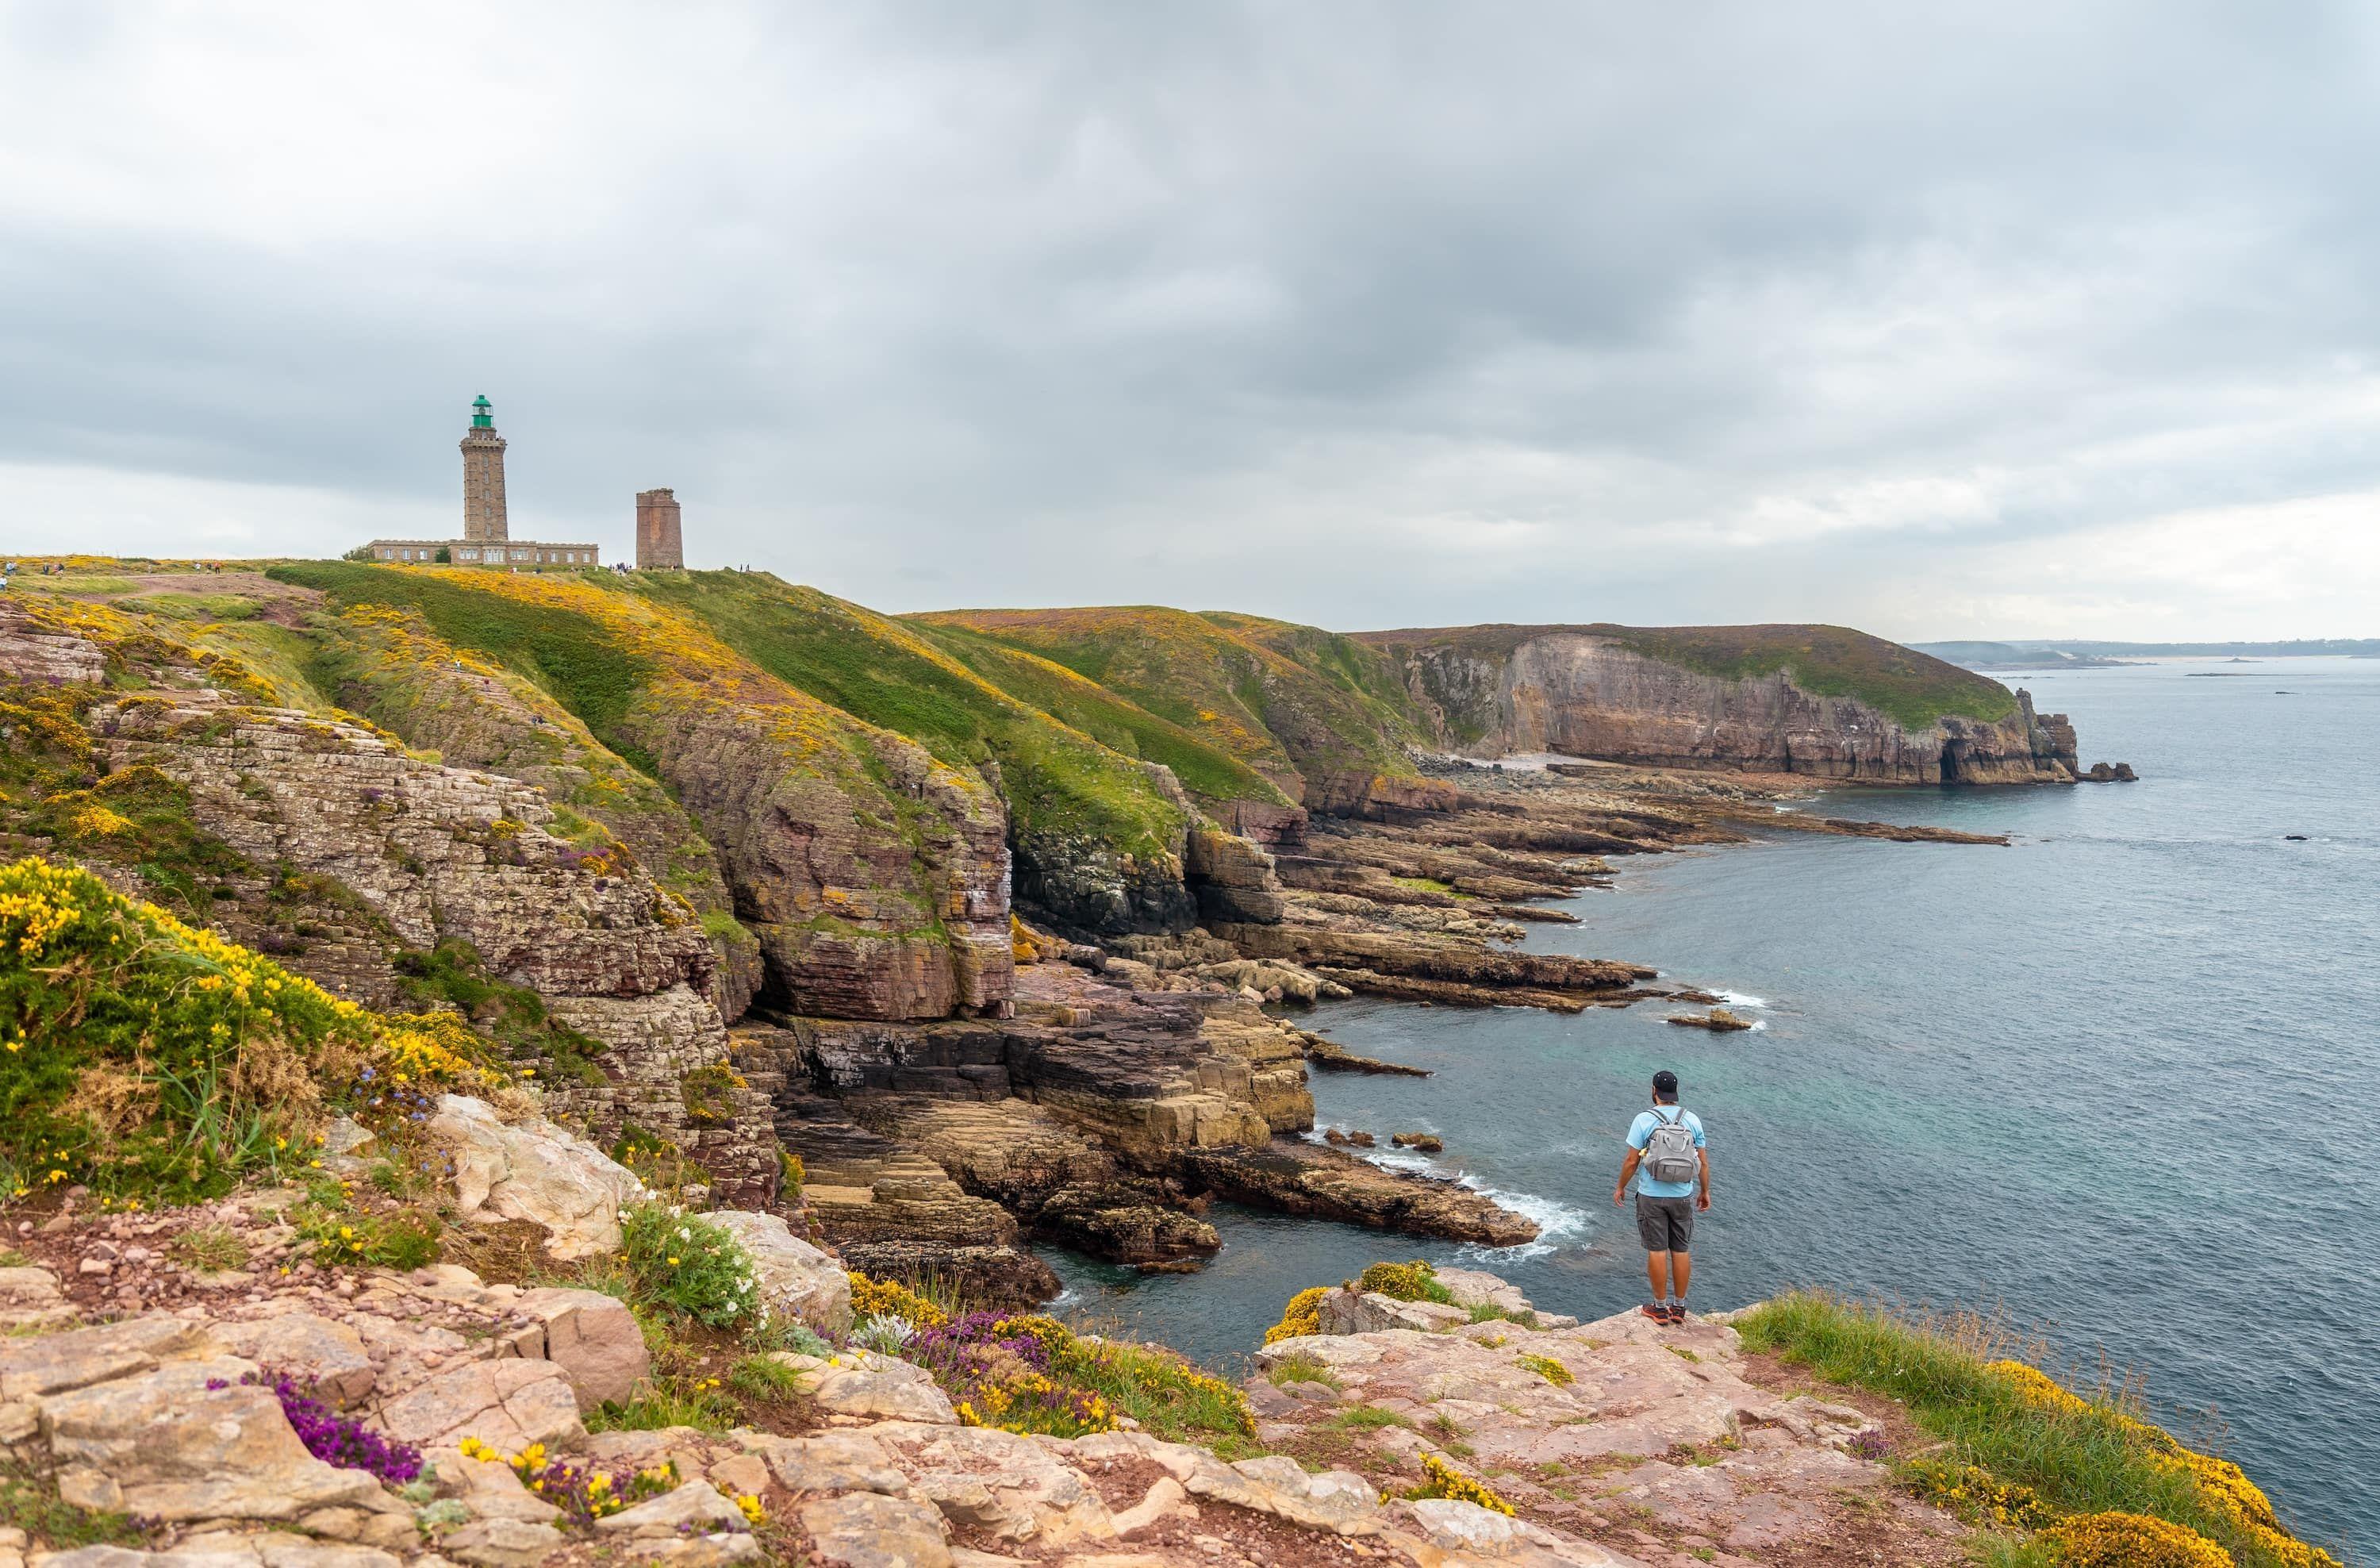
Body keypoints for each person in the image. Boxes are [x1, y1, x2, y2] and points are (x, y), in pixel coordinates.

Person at [1612, 1068, 1710, 1325]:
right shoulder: (1692, 1120)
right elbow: (1703, 1162)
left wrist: (1620, 1186)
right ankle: (1679, 1308)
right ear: (1675, 1092)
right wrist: (1705, 1191)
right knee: (1681, 1250)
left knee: (1656, 1250)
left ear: (1654, 1090)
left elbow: (1632, 1161)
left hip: (1651, 1196)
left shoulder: (1644, 1120)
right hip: (1683, 1196)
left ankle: (1659, 1308)